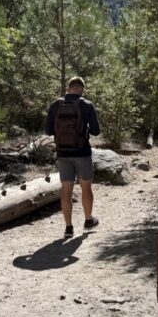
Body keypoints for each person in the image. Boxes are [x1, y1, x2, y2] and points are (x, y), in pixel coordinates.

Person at [45, 76, 101, 238]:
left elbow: (48, 131)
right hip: (82, 152)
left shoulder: (56, 105)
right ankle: (88, 220)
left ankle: (68, 227)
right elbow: (96, 131)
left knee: (66, 189)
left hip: (63, 153)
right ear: (81, 89)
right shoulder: (87, 105)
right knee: (85, 187)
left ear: (69, 88)